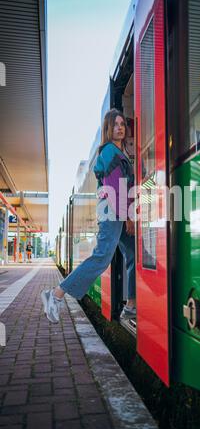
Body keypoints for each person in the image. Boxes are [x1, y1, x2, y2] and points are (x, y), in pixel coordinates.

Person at [41, 108, 136, 323]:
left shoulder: (121, 154)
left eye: (123, 124)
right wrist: (127, 216)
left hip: (118, 211)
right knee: (102, 257)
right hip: (113, 211)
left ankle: (130, 306)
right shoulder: (110, 152)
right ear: (108, 129)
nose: (120, 128)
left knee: (133, 254)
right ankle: (55, 295)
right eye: (116, 125)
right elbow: (114, 188)